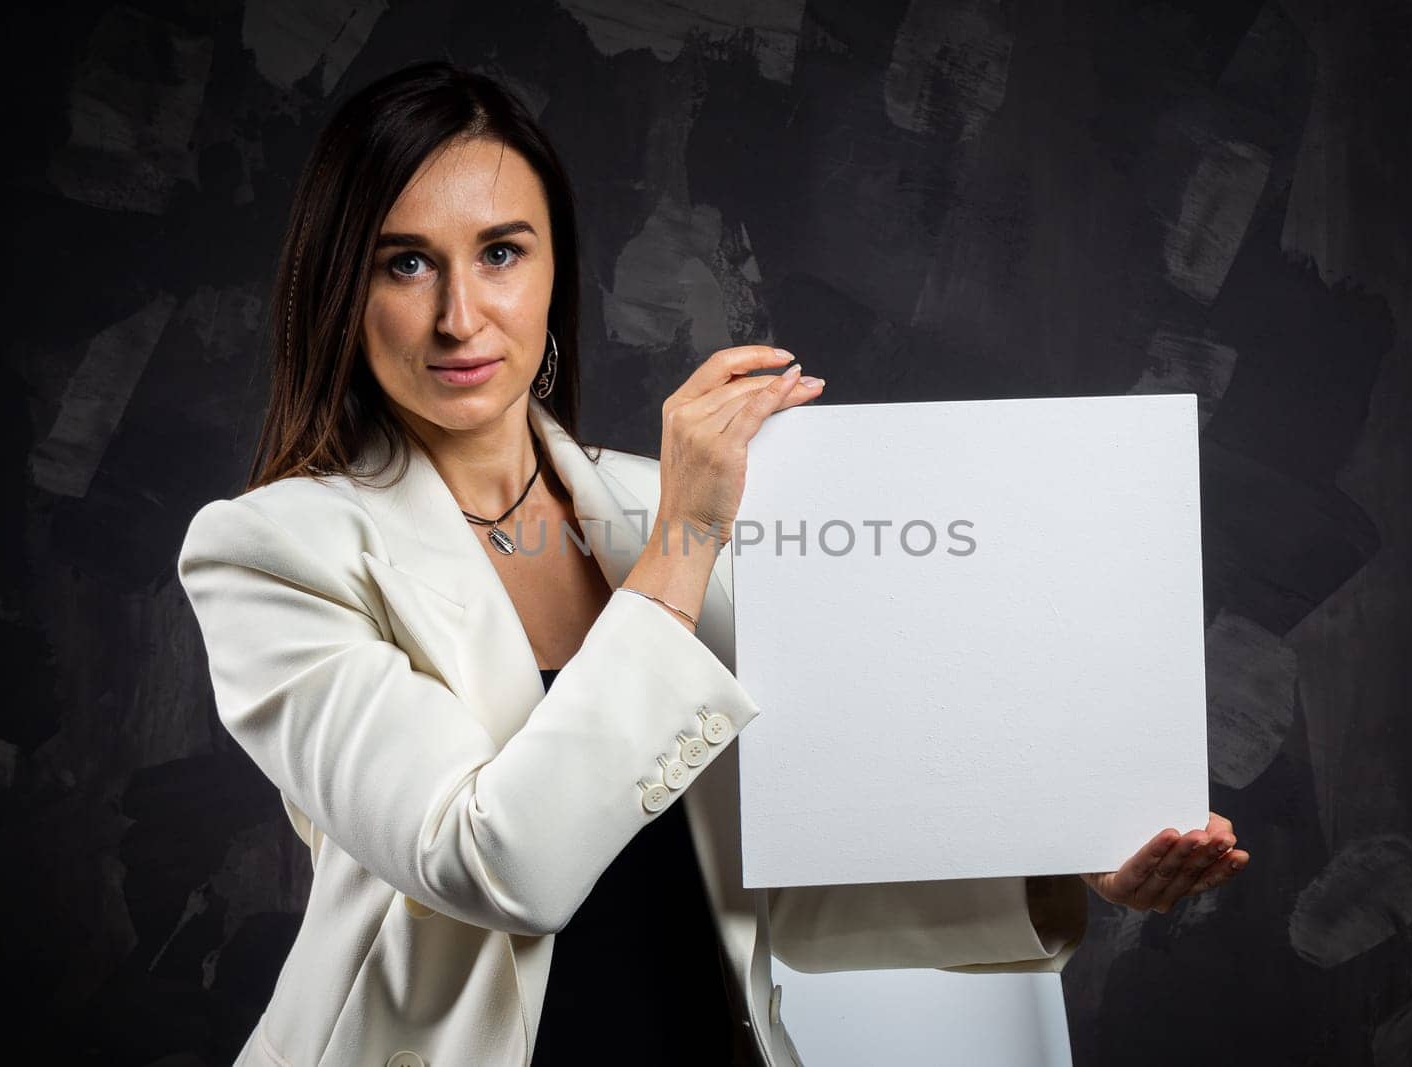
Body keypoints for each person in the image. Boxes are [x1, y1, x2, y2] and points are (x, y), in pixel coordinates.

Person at [176, 60, 1250, 1067]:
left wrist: (1071, 854)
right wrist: (685, 542)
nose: (462, 315)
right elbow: (493, 864)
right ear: (340, 290)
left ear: (554, 272)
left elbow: (783, 872)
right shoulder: (275, 549)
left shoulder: (661, 498)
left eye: (502, 252)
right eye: (406, 262)